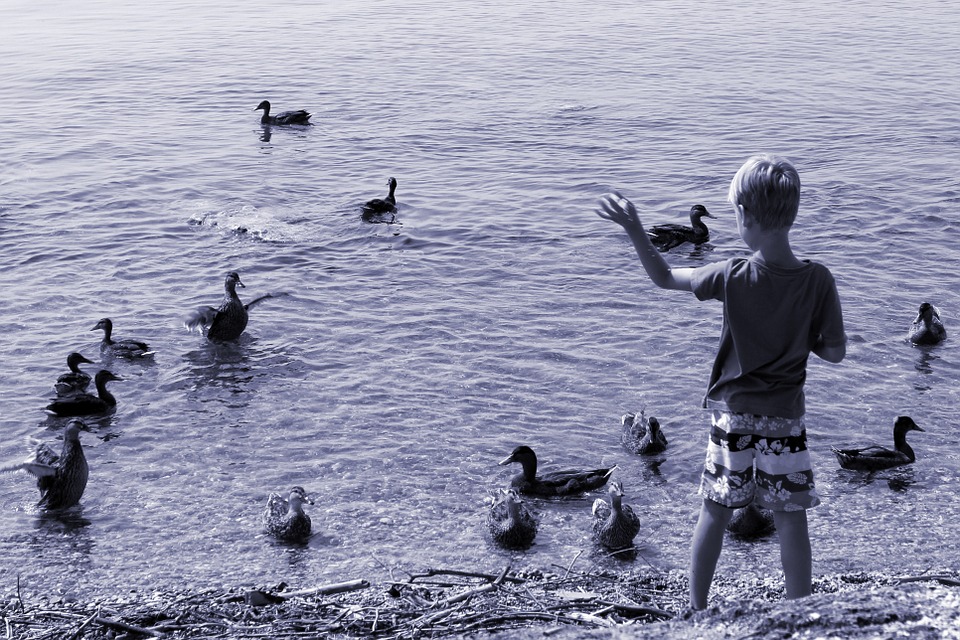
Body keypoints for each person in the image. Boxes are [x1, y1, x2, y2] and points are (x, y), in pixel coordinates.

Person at [595, 154, 846, 610]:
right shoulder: (818, 279)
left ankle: (696, 611)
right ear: (791, 214)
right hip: (785, 422)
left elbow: (664, 277)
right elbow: (835, 352)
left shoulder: (731, 274)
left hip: (733, 417)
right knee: (790, 519)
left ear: (746, 216)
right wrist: (804, 336)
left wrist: (635, 230)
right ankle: (801, 613)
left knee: (714, 511)